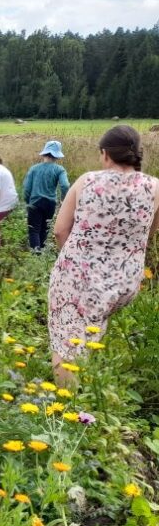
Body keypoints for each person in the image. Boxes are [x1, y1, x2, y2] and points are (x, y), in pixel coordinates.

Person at [49, 125, 159, 386]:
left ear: (106, 154)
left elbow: (60, 230)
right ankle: (83, 394)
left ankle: (68, 408)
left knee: (66, 339)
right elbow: (150, 231)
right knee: (90, 331)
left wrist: (72, 262)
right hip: (124, 281)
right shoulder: (155, 187)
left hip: (77, 275)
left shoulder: (88, 181)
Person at [23, 140, 70, 252]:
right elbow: (65, 185)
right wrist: (63, 199)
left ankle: (36, 255)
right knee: (44, 229)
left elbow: (27, 188)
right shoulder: (59, 169)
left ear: (44, 153)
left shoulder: (34, 169)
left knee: (34, 230)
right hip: (50, 203)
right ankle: (42, 252)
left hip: (35, 202)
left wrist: (27, 201)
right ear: (57, 156)